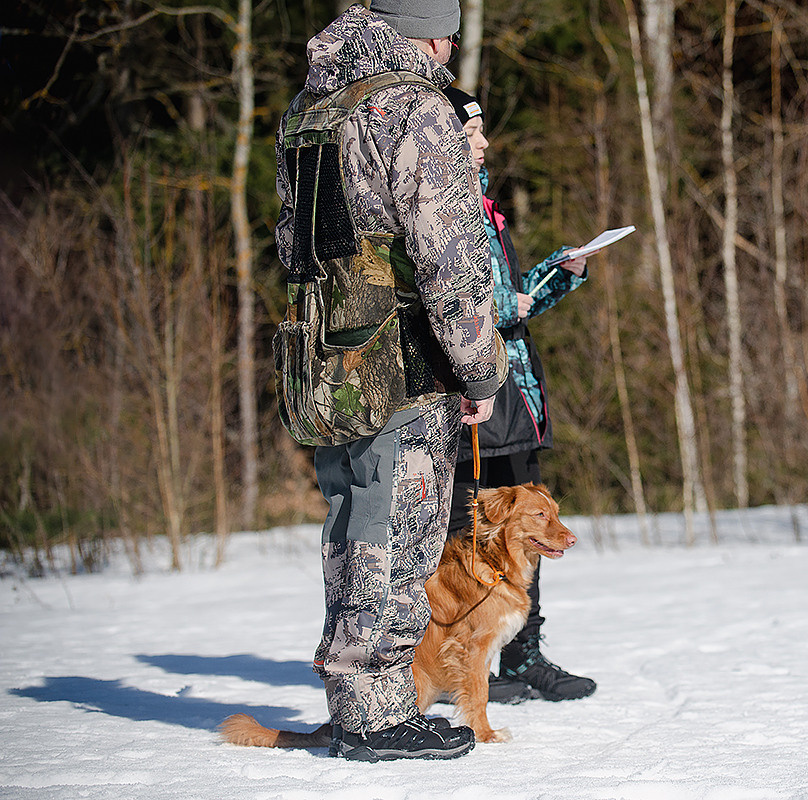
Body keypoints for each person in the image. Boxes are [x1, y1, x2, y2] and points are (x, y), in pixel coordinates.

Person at [273, 0, 503, 762]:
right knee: (398, 529)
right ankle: (374, 714)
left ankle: (362, 702)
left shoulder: (313, 106)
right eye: (448, 33)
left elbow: (290, 240)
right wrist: (480, 369)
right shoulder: (417, 109)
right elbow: (453, 264)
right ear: (428, 30)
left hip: (325, 353)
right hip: (400, 355)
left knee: (351, 525)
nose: (449, 48)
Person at [442, 86, 597, 704]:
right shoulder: (434, 199)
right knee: (466, 528)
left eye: (483, 129)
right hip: (465, 389)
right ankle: (471, 656)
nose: (484, 142)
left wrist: (561, 272)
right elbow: (444, 292)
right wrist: (507, 303)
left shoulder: (484, 205)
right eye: (472, 130)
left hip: (514, 392)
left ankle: (522, 653)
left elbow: (513, 299)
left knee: (527, 526)